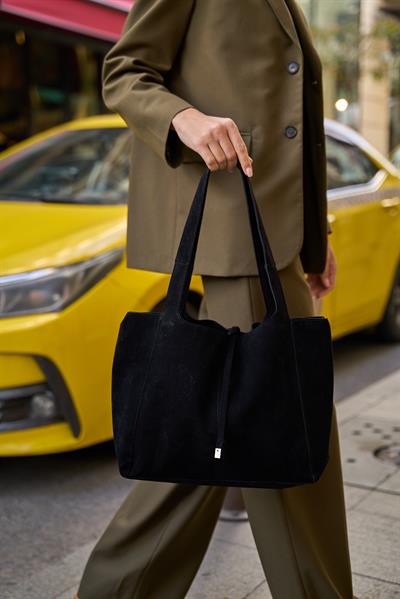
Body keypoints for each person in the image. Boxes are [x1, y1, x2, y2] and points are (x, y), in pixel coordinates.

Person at [74, 0, 358, 597]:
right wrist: (184, 119)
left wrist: (315, 236)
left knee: (211, 429)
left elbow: (292, 115)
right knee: (284, 432)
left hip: (271, 233)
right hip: (232, 228)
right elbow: (125, 71)